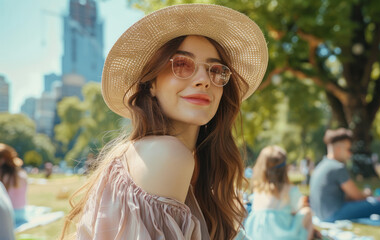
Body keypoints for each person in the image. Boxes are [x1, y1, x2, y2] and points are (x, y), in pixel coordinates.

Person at [61, 4, 268, 240]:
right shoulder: (167, 155)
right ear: (151, 83)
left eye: (216, 70)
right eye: (181, 64)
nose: (203, 80)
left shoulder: (179, 158)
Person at [309, 128, 380, 222]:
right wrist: (366, 194)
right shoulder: (337, 167)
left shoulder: (320, 166)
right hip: (333, 215)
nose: (350, 154)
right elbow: (357, 196)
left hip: (320, 215)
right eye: (348, 149)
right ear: (338, 149)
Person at [244, 146, 314, 240]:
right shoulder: (290, 190)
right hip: (283, 237)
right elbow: (299, 209)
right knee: (307, 212)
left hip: (254, 237)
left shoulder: (258, 191)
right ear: (285, 168)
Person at [0, 143, 28, 228]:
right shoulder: (21, 173)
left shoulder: (3, 176)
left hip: (7, 215)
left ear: (3, 159)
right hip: (21, 213)